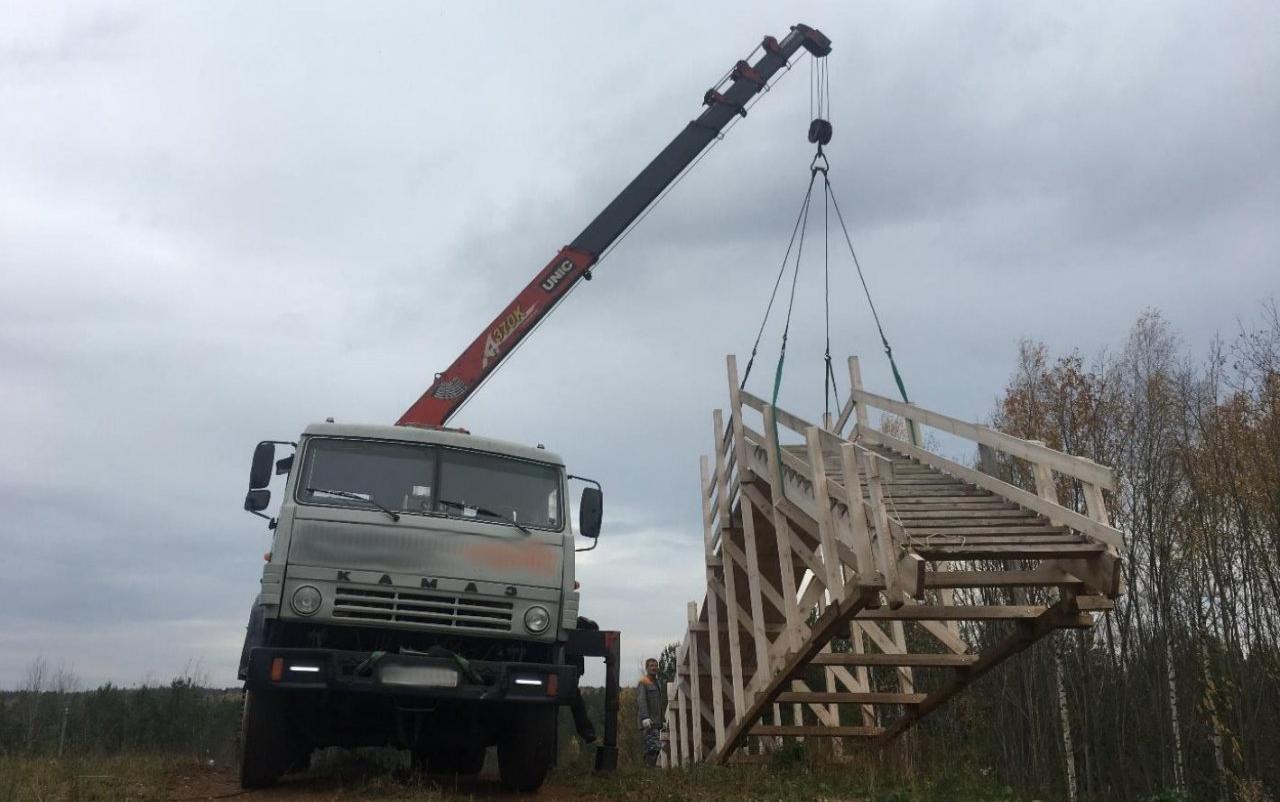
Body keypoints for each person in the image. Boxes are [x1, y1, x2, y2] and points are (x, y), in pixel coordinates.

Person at [636, 657, 666, 767]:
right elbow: (641, 700)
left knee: (653, 749)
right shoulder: (643, 682)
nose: (654, 668)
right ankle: (648, 771)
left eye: (656, 665)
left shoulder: (657, 683)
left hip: (657, 722)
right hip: (649, 723)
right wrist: (645, 717)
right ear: (647, 668)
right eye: (651, 666)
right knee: (653, 748)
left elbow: (659, 703)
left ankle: (649, 770)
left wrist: (663, 720)